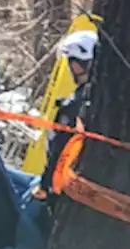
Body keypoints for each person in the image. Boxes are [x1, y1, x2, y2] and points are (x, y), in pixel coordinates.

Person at [39, 30, 98, 205]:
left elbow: (59, 148)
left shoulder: (75, 104)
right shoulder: (99, 98)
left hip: (59, 190)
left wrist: (44, 186)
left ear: (78, 65)